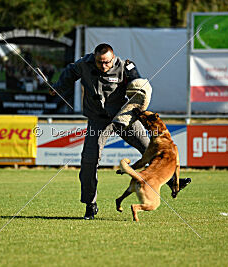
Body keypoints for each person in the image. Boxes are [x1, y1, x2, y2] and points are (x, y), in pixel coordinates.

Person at [51, 43, 191, 219]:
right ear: (94, 58)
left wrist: (138, 90)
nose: (103, 66)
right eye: (99, 62)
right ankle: (90, 205)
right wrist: (58, 88)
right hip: (98, 120)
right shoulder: (83, 64)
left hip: (123, 117)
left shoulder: (126, 66)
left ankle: (172, 182)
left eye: (107, 62)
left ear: (113, 57)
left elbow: (137, 83)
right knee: (89, 161)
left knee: (153, 150)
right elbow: (70, 72)